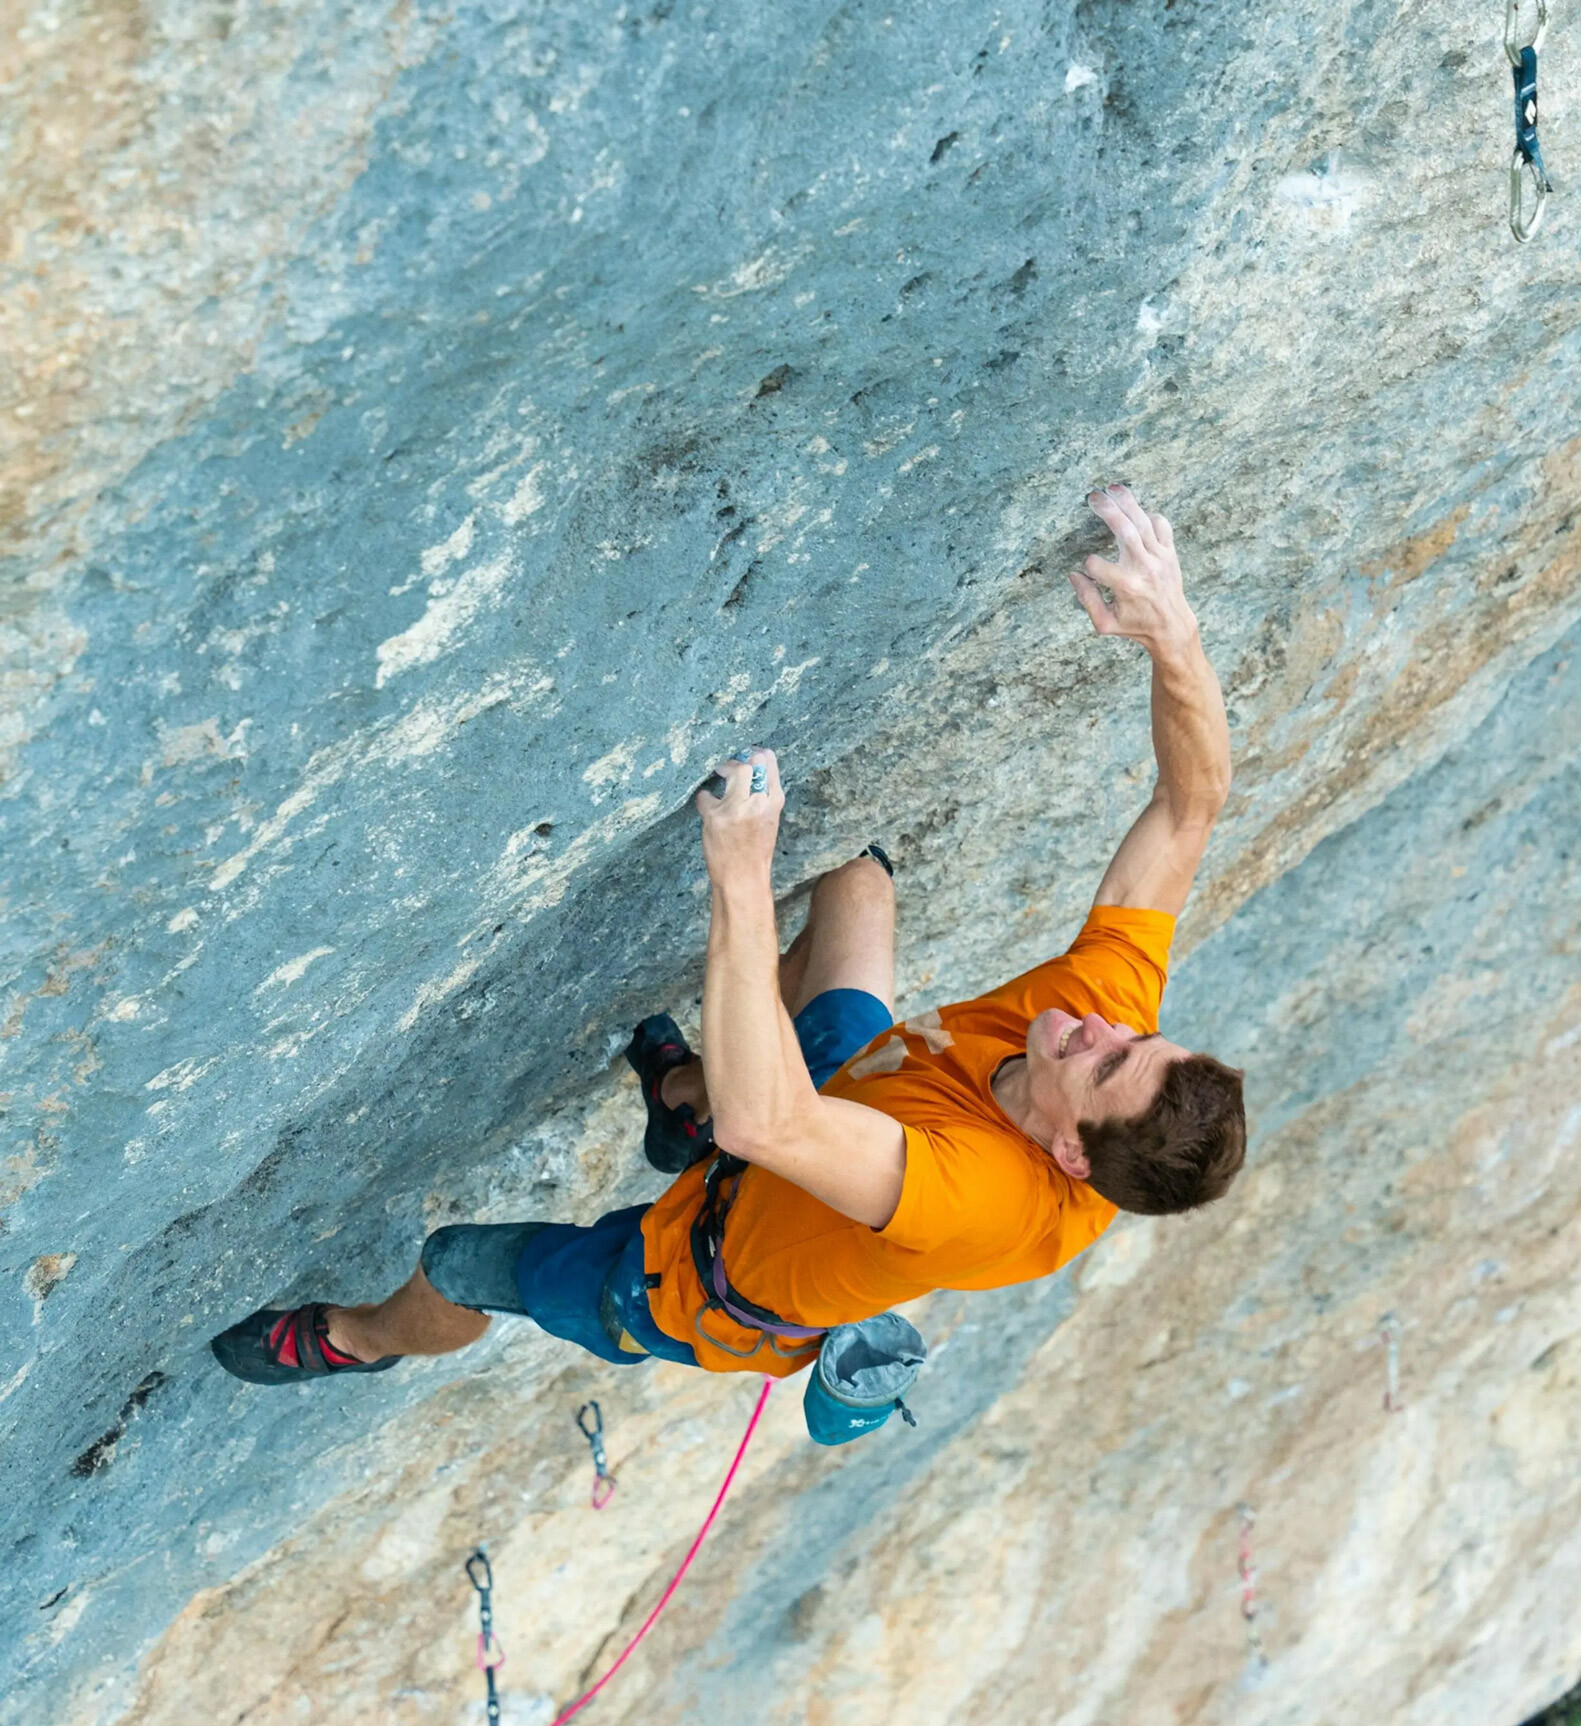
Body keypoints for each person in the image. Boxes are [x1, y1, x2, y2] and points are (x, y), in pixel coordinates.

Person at [213, 485, 1246, 1415]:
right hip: (855, 1090)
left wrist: (740, 878)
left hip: (687, 1275)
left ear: (1068, 1153)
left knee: (458, 1263)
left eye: (1103, 1063)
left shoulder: (987, 1198)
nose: (1101, 1025)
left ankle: (355, 1340)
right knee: (856, 877)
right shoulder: (1102, 1027)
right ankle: (683, 1101)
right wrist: (1176, 636)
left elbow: (769, 1124)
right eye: (1139, 1037)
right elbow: (1191, 806)